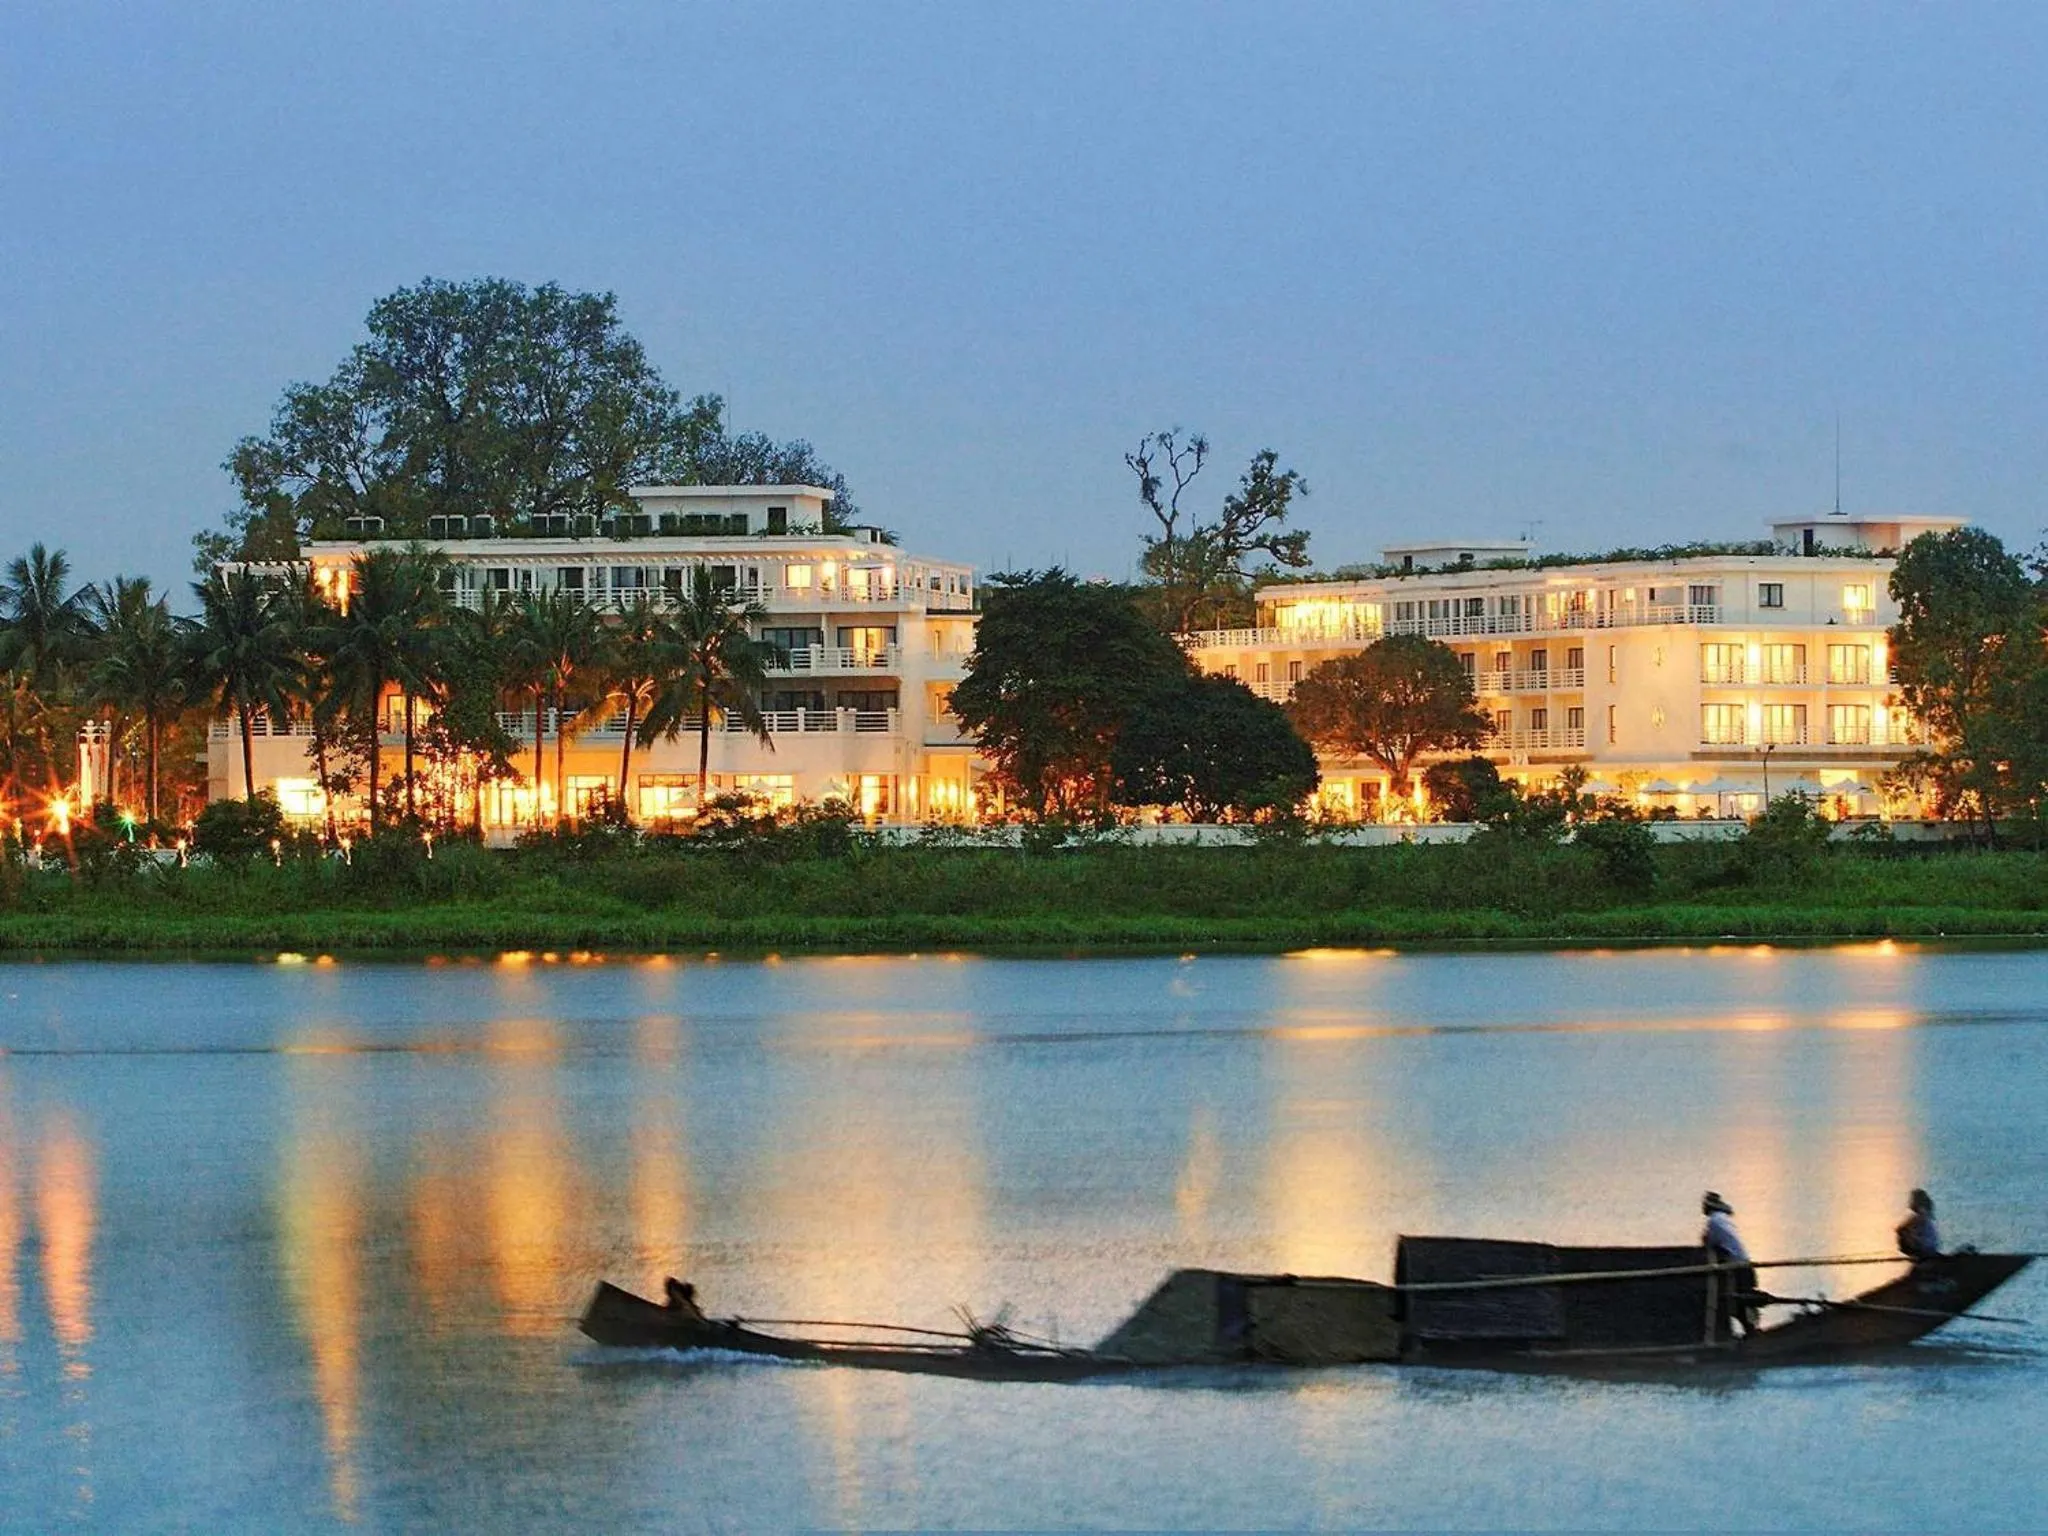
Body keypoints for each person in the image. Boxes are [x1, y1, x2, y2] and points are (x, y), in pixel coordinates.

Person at [1700, 1192, 1760, 1336]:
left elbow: (1708, 1243)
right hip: (1744, 1262)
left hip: (1735, 1266)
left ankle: (1749, 1332)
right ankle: (1751, 1331)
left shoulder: (1713, 1222)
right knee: (1742, 1300)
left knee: (1735, 1301)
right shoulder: (1724, 1219)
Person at [1896, 1189, 1941, 1262]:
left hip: (1927, 1247)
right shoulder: (1925, 1214)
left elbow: (1900, 1228)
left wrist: (1907, 1234)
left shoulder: (1921, 1214)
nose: (1910, 1202)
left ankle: (1916, 1253)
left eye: (1912, 1200)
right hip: (1931, 1246)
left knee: (1903, 1232)